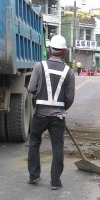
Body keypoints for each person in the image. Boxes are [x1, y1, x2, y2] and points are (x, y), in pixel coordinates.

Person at [27, 35, 76, 189]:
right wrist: (61, 109)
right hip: (58, 117)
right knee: (57, 146)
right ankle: (55, 182)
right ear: (63, 51)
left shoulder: (38, 66)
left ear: (50, 50)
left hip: (40, 114)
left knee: (34, 142)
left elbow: (30, 89)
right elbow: (70, 98)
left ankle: (34, 176)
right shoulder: (69, 72)